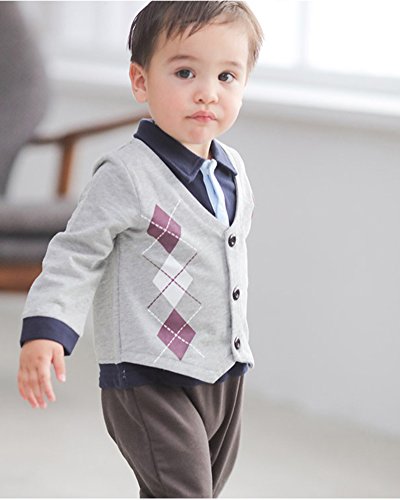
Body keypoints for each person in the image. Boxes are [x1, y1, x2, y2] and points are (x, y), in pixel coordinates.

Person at [17, 1, 263, 497]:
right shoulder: (127, 175)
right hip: (149, 374)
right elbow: (76, 253)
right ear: (140, 81)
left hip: (222, 372)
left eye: (227, 76)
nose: (207, 92)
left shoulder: (232, 170)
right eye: (185, 72)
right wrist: (47, 327)